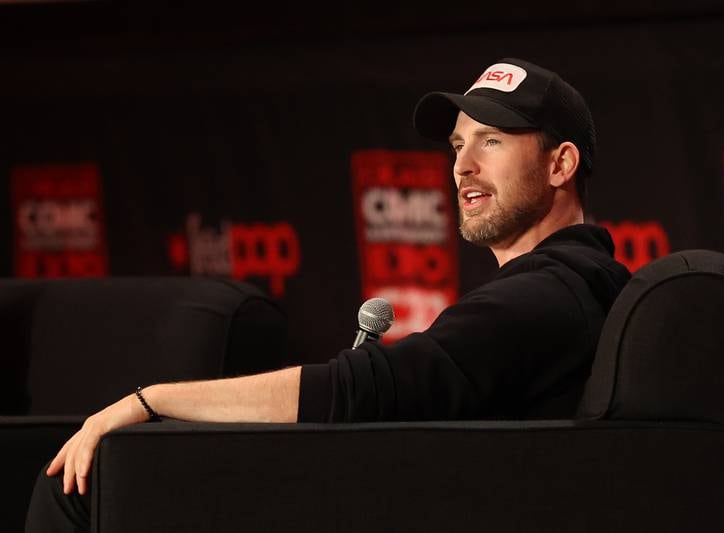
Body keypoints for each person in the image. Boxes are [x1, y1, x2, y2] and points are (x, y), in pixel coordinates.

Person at [25, 57, 631, 531]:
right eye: (457, 145)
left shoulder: (548, 297)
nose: (462, 167)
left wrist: (149, 401)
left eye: (492, 140)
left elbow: (359, 390)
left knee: (81, 483)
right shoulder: (563, 288)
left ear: (560, 165)